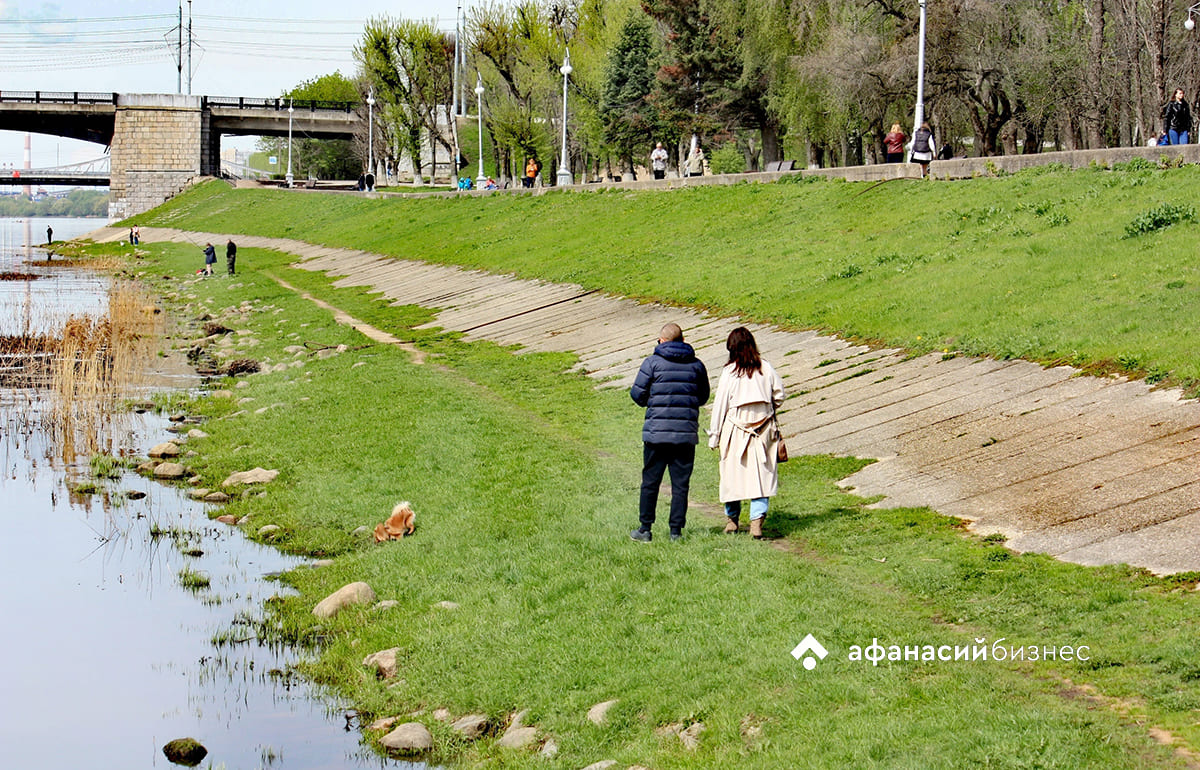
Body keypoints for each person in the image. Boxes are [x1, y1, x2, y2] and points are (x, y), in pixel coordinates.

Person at [630, 322, 710, 542]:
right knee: (680, 485)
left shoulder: (652, 363)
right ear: (683, 340)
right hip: (685, 435)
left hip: (657, 434)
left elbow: (637, 395)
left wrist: (653, 403)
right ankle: (676, 531)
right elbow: (703, 397)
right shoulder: (697, 366)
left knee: (650, 482)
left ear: (661, 341)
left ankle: (645, 529)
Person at [707, 327, 786, 539]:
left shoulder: (729, 372)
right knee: (762, 477)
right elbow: (779, 395)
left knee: (733, 476)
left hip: (735, 430)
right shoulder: (766, 368)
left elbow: (720, 406)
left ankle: (732, 520)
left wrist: (714, 436)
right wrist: (767, 410)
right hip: (763, 430)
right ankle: (756, 523)